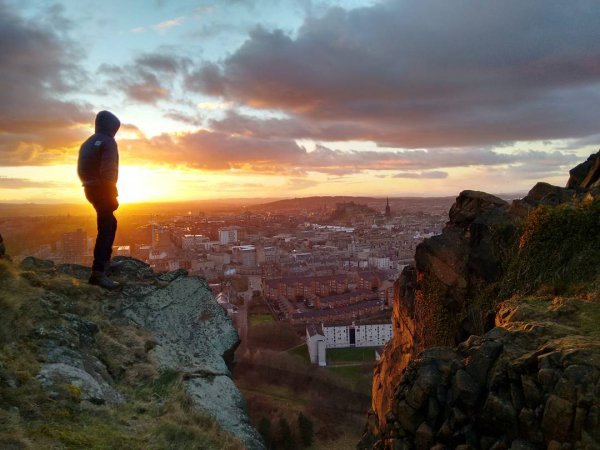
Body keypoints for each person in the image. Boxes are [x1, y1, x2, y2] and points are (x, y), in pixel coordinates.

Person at [77, 110, 121, 289]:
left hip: (90, 188)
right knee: (106, 227)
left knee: (111, 223)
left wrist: (89, 184)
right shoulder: (109, 141)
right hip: (102, 189)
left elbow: (81, 169)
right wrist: (111, 193)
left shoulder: (87, 142)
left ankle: (105, 263)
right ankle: (98, 272)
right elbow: (108, 170)